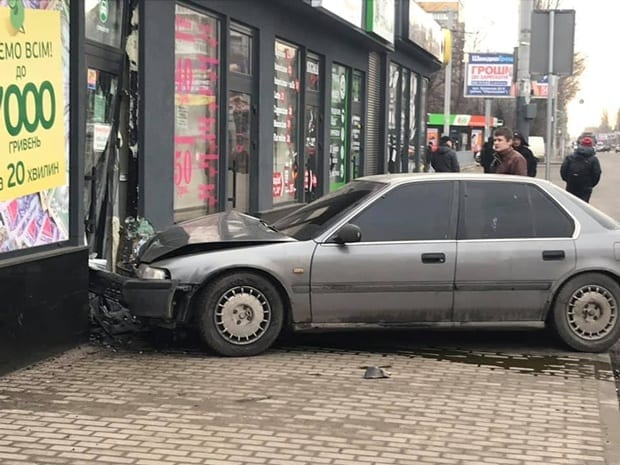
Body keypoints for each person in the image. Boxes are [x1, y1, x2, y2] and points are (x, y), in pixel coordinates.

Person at [560, 136, 602, 203]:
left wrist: (568, 180)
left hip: (571, 186)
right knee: (583, 207)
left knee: (570, 204)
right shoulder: (594, 159)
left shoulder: (570, 157)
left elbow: (563, 170)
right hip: (586, 188)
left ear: (580, 145)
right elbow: (597, 174)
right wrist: (590, 184)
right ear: (591, 146)